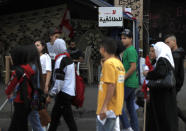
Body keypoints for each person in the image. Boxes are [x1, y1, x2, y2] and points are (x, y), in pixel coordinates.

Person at [144, 42, 178, 131]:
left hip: (163, 96)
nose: (154, 52)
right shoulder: (167, 59)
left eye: (155, 50)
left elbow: (160, 73)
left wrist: (148, 74)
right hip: (167, 94)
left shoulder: (162, 60)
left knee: (164, 119)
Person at [46, 39, 77, 131]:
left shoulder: (60, 60)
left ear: (57, 47)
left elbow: (59, 81)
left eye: (54, 46)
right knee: (55, 118)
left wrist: (51, 94)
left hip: (63, 93)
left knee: (67, 119)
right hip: (68, 92)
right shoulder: (68, 58)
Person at [96, 37, 125, 131]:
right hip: (115, 106)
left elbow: (111, 85)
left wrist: (104, 107)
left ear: (103, 49)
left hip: (108, 108)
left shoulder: (109, 63)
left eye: (100, 47)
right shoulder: (119, 63)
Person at [5, 46, 34, 131]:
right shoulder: (29, 68)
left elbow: (8, 89)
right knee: (21, 123)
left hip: (19, 101)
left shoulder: (17, 71)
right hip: (29, 100)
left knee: (19, 125)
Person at [119, 29, 139, 131]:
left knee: (118, 105)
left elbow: (133, 67)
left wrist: (123, 78)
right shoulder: (128, 50)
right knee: (131, 107)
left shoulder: (130, 50)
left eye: (125, 38)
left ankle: (127, 127)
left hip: (128, 83)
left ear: (131, 39)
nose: (122, 40)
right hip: (132, 83)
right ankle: (135, 128)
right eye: (122, 38)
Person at [164, 34, 186, 124]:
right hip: (176, 84)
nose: (166, 45)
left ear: (174, 42)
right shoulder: (177, 53)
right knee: (171, 105)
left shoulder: (175, 56)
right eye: (165, 43)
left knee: (170, 105)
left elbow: (173, 73)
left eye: (168, 42)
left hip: (173, 84)